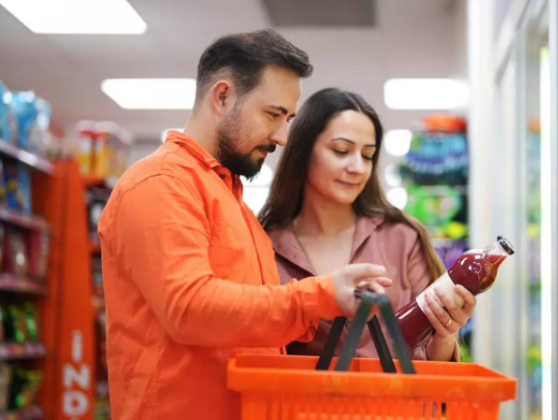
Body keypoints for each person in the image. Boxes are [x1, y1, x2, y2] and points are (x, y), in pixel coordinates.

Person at [97, 32, 391, 420]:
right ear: (222, 97)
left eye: (288, 119)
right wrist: (318, 296)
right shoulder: (161, 183)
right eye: (273, 115)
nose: (283, 137)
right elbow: (188, 308)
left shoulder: (232, 202)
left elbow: (248, 325)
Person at [259, 88, 476, 362]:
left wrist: (445, 334)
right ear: (302, 152)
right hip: (298, 404)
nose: (358, 167)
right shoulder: (264, 244)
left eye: (368, 155)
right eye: (341, 151)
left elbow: (432, 361)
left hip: (394, 403)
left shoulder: (403, 238)